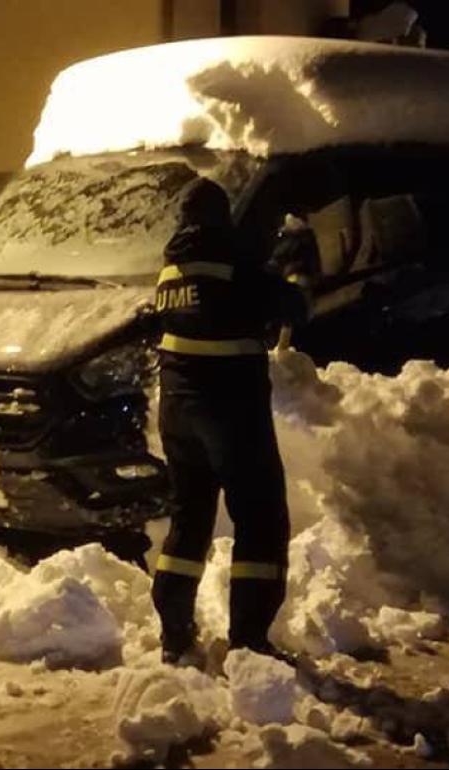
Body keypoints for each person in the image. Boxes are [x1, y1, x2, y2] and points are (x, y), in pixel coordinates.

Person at [151, 178, 308, 663]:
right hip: (230, 410)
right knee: (261, 518)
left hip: (177, 413)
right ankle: (249, 640)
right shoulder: (236, 268)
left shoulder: (169, 273)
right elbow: (294, 306)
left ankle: (175, 634)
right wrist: (297, 265)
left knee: (189, 518)